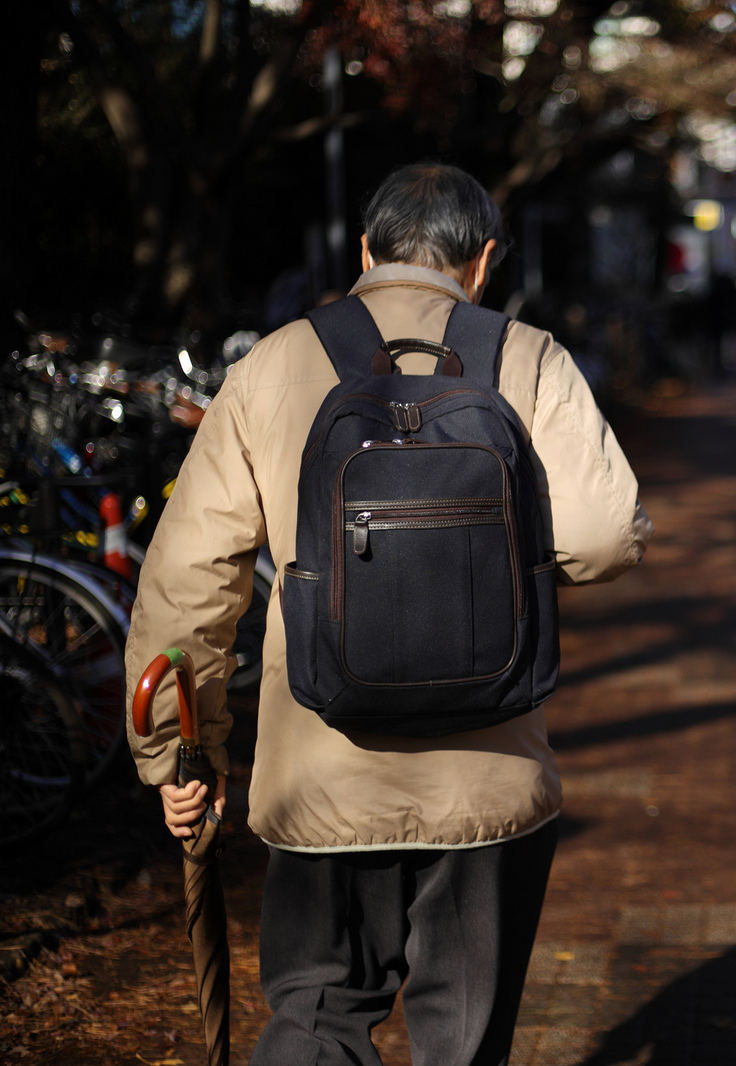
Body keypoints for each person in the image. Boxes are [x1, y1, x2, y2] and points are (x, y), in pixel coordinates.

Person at [124, 163, 652, 1066]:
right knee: (462, 1039)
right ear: (481, 262)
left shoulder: (274, 363)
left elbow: (191, 576)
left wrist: (183, 750)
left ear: (365, 251)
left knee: (315, 1018)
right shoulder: (527, 357)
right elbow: (606, 538)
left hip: (320, 771)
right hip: (488, 781)